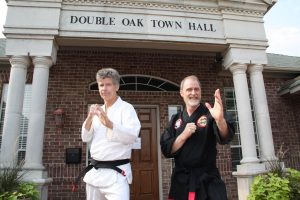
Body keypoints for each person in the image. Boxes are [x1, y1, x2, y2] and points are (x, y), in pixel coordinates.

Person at [160, 75, 235, 200]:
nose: (193, 93)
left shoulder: (210, 113)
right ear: (182, 93)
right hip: (181, 182)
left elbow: (225, 137)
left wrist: (220, 120)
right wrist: (184, 135)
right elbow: (167, 150)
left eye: (197, 89)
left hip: (207, 181)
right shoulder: (175, 119)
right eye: (189, 89)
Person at [81, 68, 141, 200]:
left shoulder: (126, 108)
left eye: (108, 84)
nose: (104, 88)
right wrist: (90, 117)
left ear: (116, 87)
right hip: (95, 173)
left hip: (117, 174)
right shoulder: (97, 111)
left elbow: (132, 136)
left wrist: (110, 124)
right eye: (101, 85)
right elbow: (85, 137)